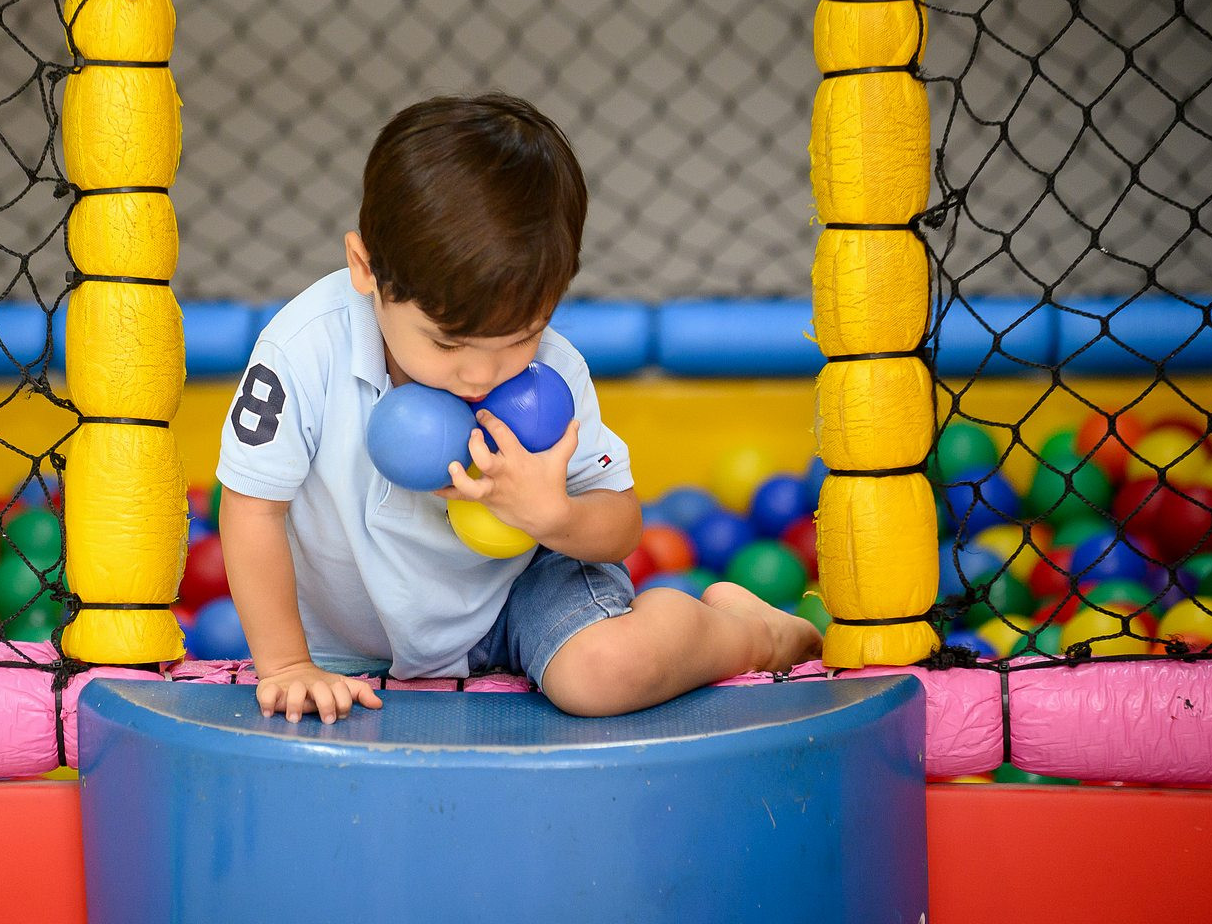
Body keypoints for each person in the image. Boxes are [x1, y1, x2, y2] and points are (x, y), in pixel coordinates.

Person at [216, 92, 821, 724]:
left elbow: (621, 524)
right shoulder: (304, 349)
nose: (481, 375)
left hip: (519, 596)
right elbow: (252, 506)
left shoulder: (548, 374)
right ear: (366, 269)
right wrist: (287, 665)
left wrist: (554, 515)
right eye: (447, 343)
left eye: (518, 339)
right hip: (349, 636)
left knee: (605, 673)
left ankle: (743, 631)